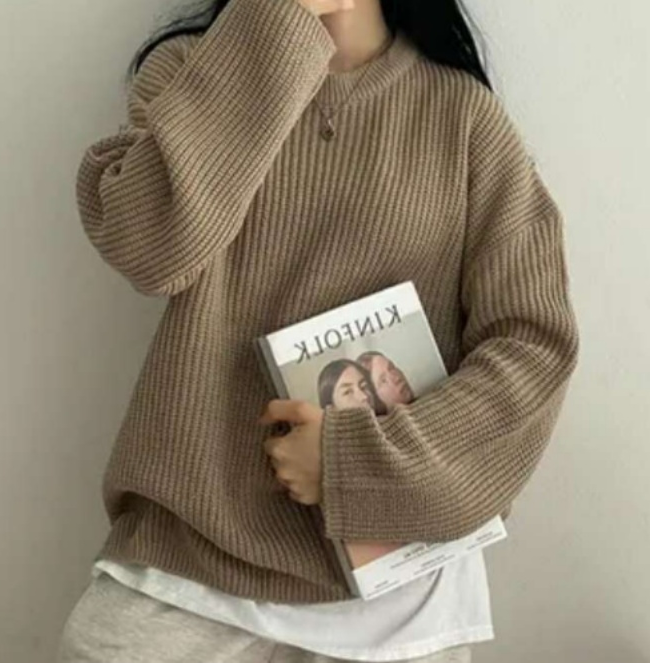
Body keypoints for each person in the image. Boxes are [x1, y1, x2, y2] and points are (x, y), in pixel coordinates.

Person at [56, 0, 580, 660]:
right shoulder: (191, 71)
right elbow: (150, 249)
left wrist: (352, 463)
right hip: (188, 561)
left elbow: (533, 345)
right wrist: (274, 24)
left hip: (399, 591)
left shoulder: (464, 117)